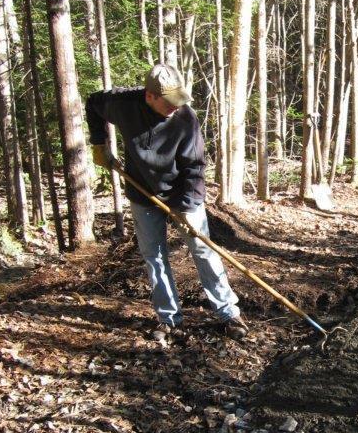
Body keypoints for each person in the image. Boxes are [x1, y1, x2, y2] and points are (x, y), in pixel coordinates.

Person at [86, 63, 248, 342]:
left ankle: (228, 313)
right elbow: (93, 103)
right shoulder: (122, 104)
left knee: (203, 250)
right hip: (143, 193)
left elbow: (195, 168)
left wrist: (184, 207)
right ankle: (169, 318)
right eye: (169, 102)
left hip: (182, 192)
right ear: (150, 96)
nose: (176, 107)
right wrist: (99, 144)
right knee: (154, 256)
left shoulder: (185, 119)